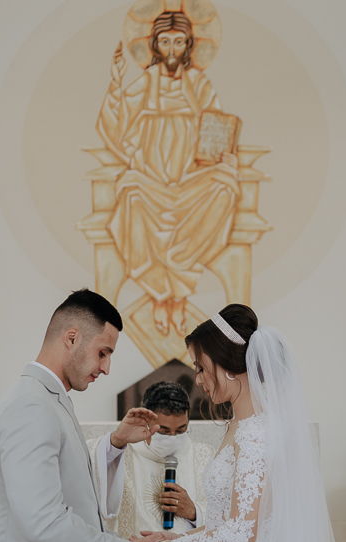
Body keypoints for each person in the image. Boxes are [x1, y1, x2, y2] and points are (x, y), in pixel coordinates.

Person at [0, 289, 182, 542]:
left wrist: (116, 443)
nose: (106, 368)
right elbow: (44, 521)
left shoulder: (47, 401)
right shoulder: (31, 406)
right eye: (103, 352)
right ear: (72, 338)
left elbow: (73, 498)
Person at [147, 304, 346, 542]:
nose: (197, 379)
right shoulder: (239, 426)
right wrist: (178, 537)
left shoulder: (255, 433)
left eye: (201, 367)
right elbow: (225, 523)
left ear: (226, 365)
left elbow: (241, 534)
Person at [97, 11, 241, 336]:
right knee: (132, 197)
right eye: (165, 41)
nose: (172, 49)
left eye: (178, 42)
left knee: (225, 188)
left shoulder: (199, 84)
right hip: (150, 175)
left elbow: (217, 128)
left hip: (192, 175)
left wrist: (223, 156)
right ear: (155, 45)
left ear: (188, 44)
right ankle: (163, 296)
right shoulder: (147, 81)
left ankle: (177, 292)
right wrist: (116, 82)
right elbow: (117, 124)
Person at [87, 381, 215, 542]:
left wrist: (195, 511)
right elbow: (88, 467)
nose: (172, 438)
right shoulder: (118, 453)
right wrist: (117, 441)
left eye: (181, 430)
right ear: (147, 421)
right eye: (164, 431)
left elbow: (228, 517)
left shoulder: (204, 456)